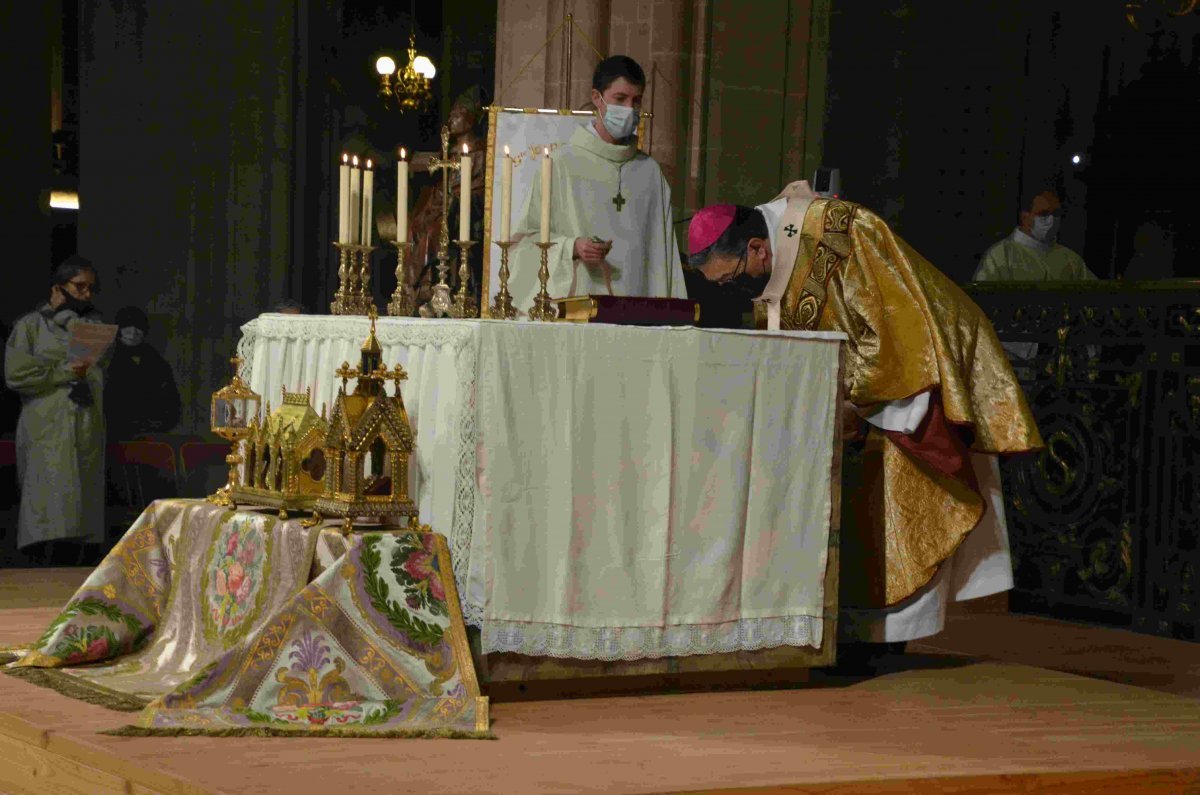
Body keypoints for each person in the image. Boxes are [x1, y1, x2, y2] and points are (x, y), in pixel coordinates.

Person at [688, 186, 1043, 654]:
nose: (733, 289)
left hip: (911, 381)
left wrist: (848, 401)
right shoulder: (770, 261)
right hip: (856, 404)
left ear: (757, 247)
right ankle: (853, 636)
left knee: (898, 511)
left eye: (731, 277)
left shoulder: (839, 232)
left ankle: (889, 640)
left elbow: (896, 329)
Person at [508, 55, 686, 313]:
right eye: (620, 99)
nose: (629, 110)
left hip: (639, 313)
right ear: (596, 98)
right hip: (580, 310)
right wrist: (572, 247)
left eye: (636, 101)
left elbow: (665, 259)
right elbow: (524, 243)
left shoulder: (650, 173)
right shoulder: (561, 164)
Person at [4, 256, 111, 562]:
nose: (87, 294)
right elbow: (17, 373)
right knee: (47, 503)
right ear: (58, 288)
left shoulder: (92, 326)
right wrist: (63, 371)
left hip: (84, 422)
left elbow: (95, 367)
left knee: (82, 508)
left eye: (91, 288)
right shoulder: (31, 326)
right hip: (47, 425)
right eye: (79, 287)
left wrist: (66, 319)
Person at [974, 187, 1097, 282]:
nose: (1051, 220)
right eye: (1043, 214)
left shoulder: (1071, 260)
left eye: (1056, 214)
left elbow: (1095, 294)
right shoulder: (1000, 256)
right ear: (1025, 217)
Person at [103, 306, 180, 440]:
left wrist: (156, 425)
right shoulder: (105, 359)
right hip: (112, 436)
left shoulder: (158, 364)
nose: (132, 332)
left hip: (151, 436)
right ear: (118, 330)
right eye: (126, 326)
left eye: (138, 327)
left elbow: (171, 403)